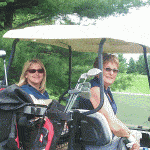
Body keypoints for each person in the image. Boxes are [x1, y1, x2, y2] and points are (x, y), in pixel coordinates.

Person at [89, 53, 140, 150]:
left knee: (137, 135)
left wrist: (130, 133)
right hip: (98, 145)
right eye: (107, 69)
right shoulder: (95, 90)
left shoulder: (105, 90)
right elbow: (114, 127)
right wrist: (131, 139)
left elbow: (113, 118)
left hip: (104, 139)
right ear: (97, 71)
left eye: (115, 70)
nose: (111, 73)